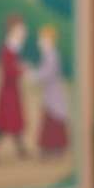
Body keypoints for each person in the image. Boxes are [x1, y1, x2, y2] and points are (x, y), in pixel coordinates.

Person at [0, 14, 27, 163]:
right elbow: (8, 71)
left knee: (13, 121)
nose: (23, 32)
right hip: (8, 90)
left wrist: (20, 69)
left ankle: (21, 149)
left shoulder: (14, 47)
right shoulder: (8, 48)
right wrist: (21, 71)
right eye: (20, 29)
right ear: (12, 29)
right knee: (5, 123)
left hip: (12, 89)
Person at [33, 24, 70, 155]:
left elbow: (47, 73)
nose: (40, 42)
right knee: (49, 118)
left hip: (54, 92)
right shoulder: (47, 55)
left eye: (43, 39)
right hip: (49, 93)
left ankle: (56, 146)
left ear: (50, 40)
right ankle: (49, 147)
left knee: (54, 118)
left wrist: (33, 76)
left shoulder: (52, 55)